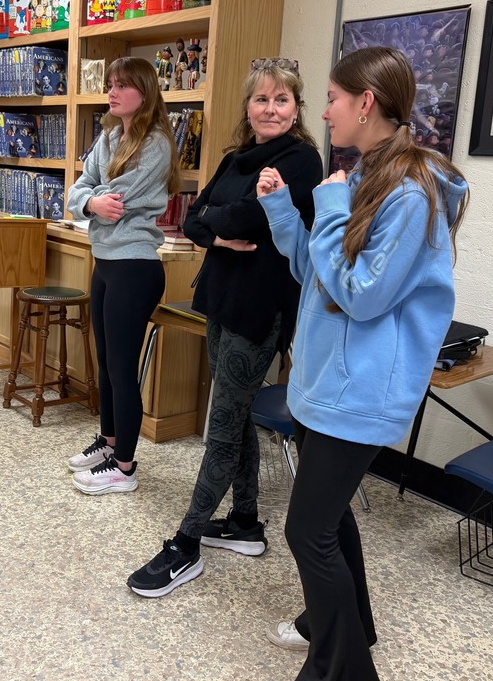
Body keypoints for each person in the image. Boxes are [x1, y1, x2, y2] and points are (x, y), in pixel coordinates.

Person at [256, 46, 468, 680]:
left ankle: (342, 669)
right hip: (327, 383)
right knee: (328, 516)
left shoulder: (411, 192)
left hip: (361, 392)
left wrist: (326, 211)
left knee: (307, 531)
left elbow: (364, 296)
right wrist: (284, 214)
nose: (322, 112)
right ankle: (351, 628)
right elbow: (316, 277)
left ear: (365, 104)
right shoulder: (363, 179)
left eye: (331, 99)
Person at [126, 58, 322, 597]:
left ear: (297, 108)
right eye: (261, 99)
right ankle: (244, 521)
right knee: (233, 412)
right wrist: (216, 229)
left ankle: (186, 544)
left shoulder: (302, 160)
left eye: (282, 100)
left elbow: (245, 220)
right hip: (219, 297)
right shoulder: (239, 158)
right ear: (248, 107)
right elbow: (189, 216)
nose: (270, 108)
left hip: (262, 306)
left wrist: (219, 222)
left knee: (223, 420)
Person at [66, 56, 180, 495]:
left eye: (121, 85)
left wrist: (92, 201)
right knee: (107, 363)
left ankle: (125, 467)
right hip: (105, 261)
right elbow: (82, 190)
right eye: (110, 84)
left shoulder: (156, 144)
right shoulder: (111, 136)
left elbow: (120, 198)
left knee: (121, 366)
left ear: (145, 92)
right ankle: (110, 442)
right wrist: (91, 204)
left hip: (135, 266)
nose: (111, 92)